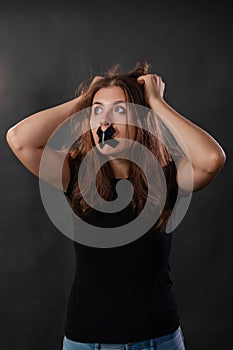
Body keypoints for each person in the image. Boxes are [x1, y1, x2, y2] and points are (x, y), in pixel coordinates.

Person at [6, 62, 226, 350]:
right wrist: (86, 100)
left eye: (119, 110)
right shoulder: (74, 171)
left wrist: (155, 103)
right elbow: (19, 139)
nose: (104, 121)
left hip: (157, 341)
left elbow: (212, 159)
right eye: (98, 110)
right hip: (85, 342)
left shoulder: (169, 173)